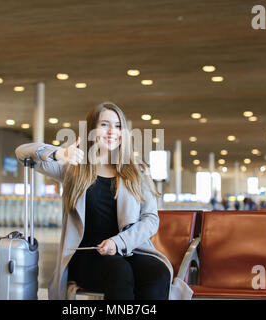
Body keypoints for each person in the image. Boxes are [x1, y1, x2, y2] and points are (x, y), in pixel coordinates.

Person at [15, 102, 193, 300]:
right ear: (91, 129)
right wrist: (61, 153)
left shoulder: (137, 171)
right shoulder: (74, 169)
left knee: (158, 273)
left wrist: (118, 243)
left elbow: (151, 219)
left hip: (129, 250)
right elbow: (22, 153)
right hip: (88, 256)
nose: (112, 132)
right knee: (119, 271)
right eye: (105, 125)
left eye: (118, 126)